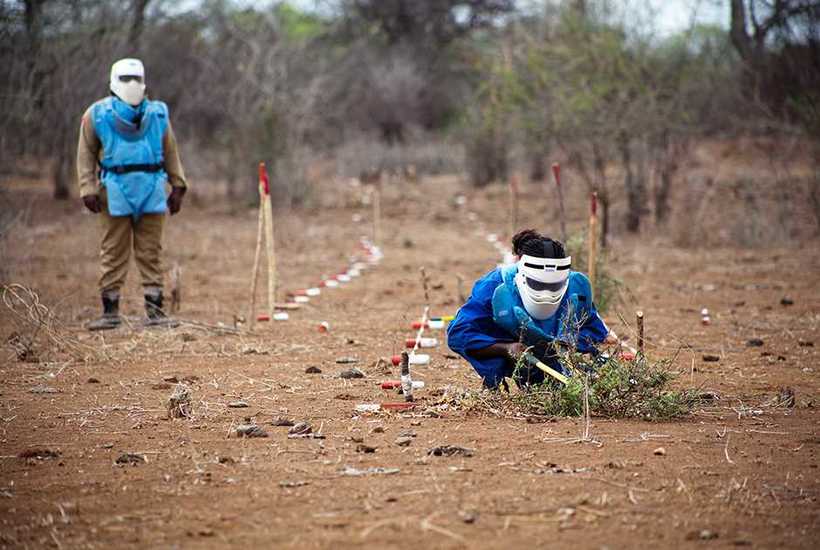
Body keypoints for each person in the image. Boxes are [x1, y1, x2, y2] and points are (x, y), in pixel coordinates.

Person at [77, 58, 188, 330]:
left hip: (152, 188)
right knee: (113, 250)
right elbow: (85, 153)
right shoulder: (97, 115)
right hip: (114, 189)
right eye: (126, 78)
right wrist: (87, 187)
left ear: (144, 80)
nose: (131, 84)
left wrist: (178, 186)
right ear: (114, 80)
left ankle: (155, 310)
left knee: (151, 251)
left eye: (136, 78)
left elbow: (170, 150)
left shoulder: (157, 114)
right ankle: (110, 311)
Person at [447, 229, 614, 389]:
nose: (547, 293)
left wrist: (571, 342)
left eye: (554, 285)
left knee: (563, 385)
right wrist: (506, 348)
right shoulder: (495, 286)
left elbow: (593, 328)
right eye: (540, 284)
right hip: (509, 346)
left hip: (553, 355)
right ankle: (496, 379)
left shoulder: (576, 288)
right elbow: (458, 334)